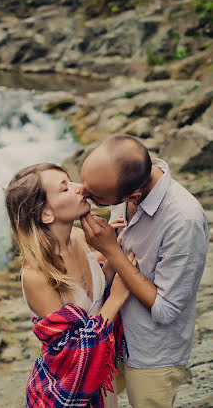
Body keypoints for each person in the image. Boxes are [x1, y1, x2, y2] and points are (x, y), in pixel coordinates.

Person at [80, 134, 209, 408]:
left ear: (134, 197)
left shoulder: (184, 220)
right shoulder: (127, 178)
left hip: (153, 354)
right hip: (112, 338)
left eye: (96, 198)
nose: (84, 195)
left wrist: (113, 252)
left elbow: (167, 309)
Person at [5, 162, 136, 408]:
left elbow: (92, 301)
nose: (81, 188)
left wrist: (111, 254)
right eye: (65, 189)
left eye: (71, 181)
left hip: (100, 380)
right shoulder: (36, 274)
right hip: (68, 391)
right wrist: (117, 298)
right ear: (46, 214)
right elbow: (72, 354)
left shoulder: (77, 236)